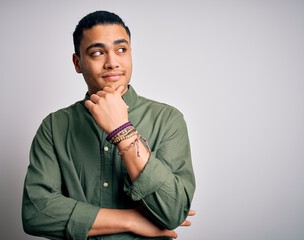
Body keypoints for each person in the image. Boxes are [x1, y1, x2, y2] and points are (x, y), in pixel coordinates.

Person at [22, 10, 196, 240]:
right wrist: (132, 220)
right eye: (97, 53)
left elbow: (173, 212)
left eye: (121, 50)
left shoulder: (168, 119)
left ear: (131, 54)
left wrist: (122, 130)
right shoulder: (54, 126)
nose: (112, 63)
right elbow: (36, 213)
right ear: (77, 63)